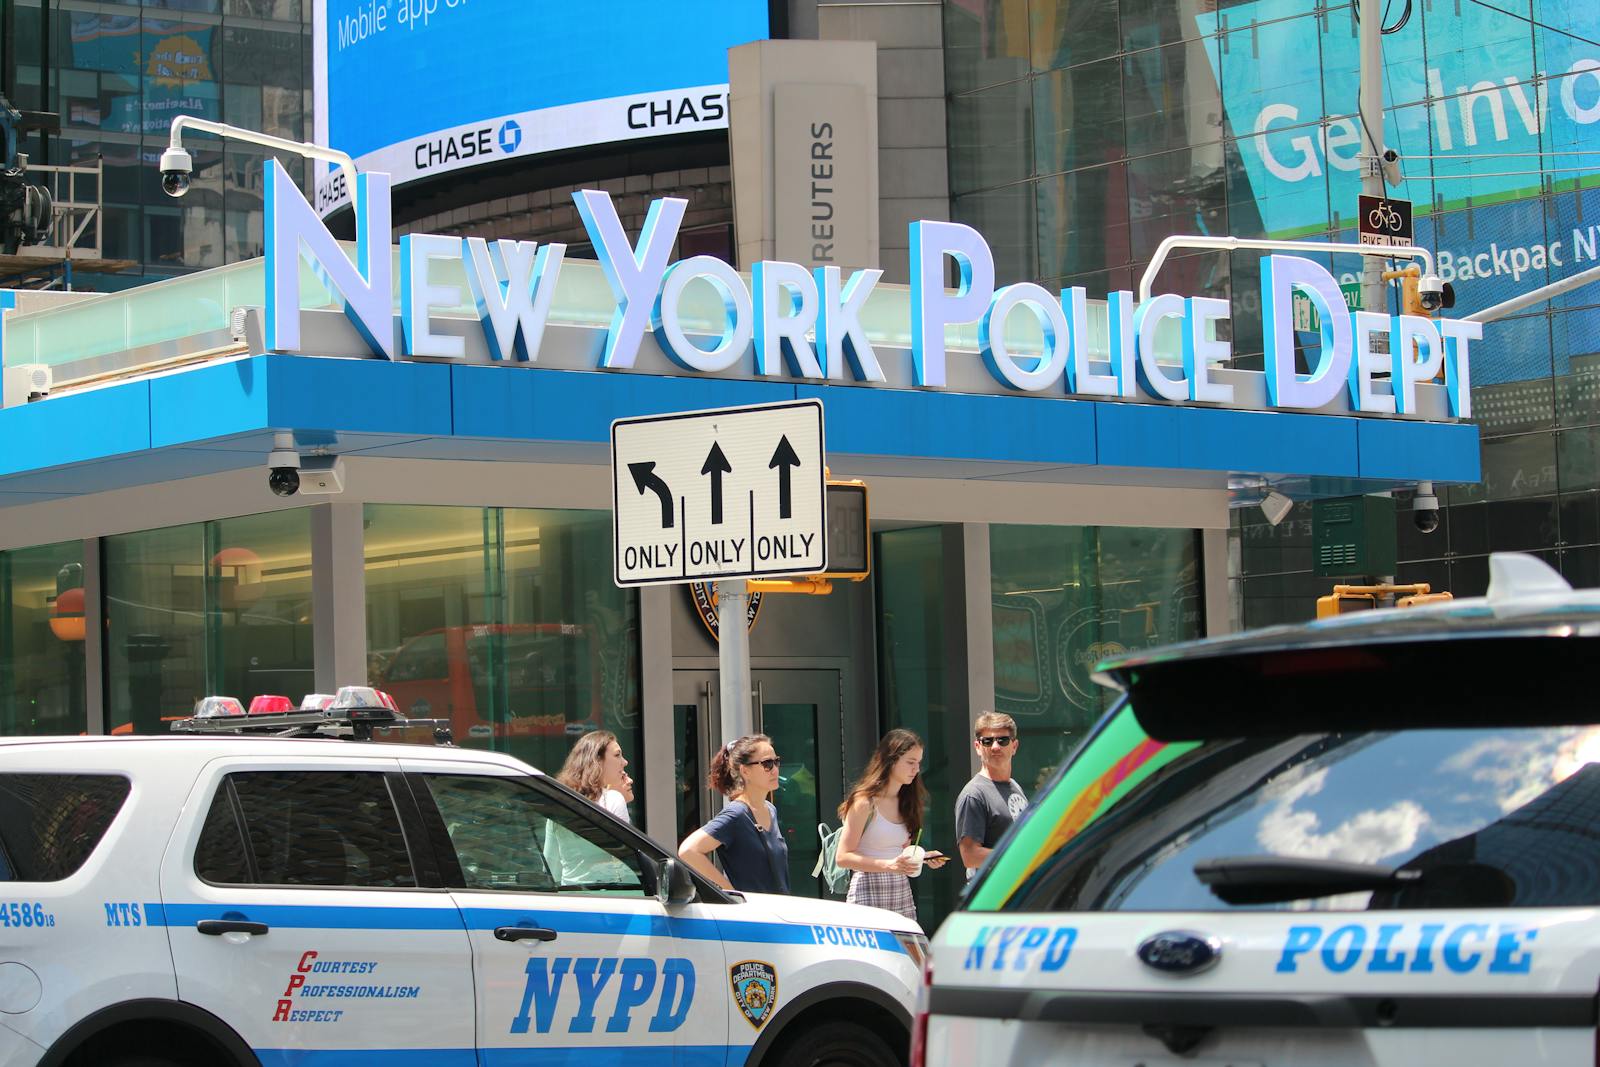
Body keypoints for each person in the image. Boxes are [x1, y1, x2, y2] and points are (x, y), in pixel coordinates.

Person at [834, 729, 948, 921]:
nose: (917, 769)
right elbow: (843, 857)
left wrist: (925, 857)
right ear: (891, 760)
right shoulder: (864, 802)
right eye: (910, 762)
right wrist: (889, 865)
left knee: (905, 950)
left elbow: (901, 852)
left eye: (919, 763)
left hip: (900, 890)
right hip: (867, 889)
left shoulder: (907, 801)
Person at [678, 735, 789, 893]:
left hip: (775, 912)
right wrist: (730, 893)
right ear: (745, 771)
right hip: (751, 914)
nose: (775, 770)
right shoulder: (737, 813)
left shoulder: (770, 809)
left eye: (776, 762)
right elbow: (688, 851)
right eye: (767, 764)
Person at [956, 711, 1028, 878]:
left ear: (1014, 746)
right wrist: (1023, 857)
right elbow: (970, 856)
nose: (995, 747)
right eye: (987, 741)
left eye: (1002, 740)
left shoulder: (1014, 786)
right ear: (978, 748)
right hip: (990, 896)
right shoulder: (973, 795)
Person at [555, 730, 631, 823]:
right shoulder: (613, 799)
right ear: (597, 761)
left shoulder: (560, 802)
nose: (625, 762)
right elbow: (623, 837)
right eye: (617, 755)